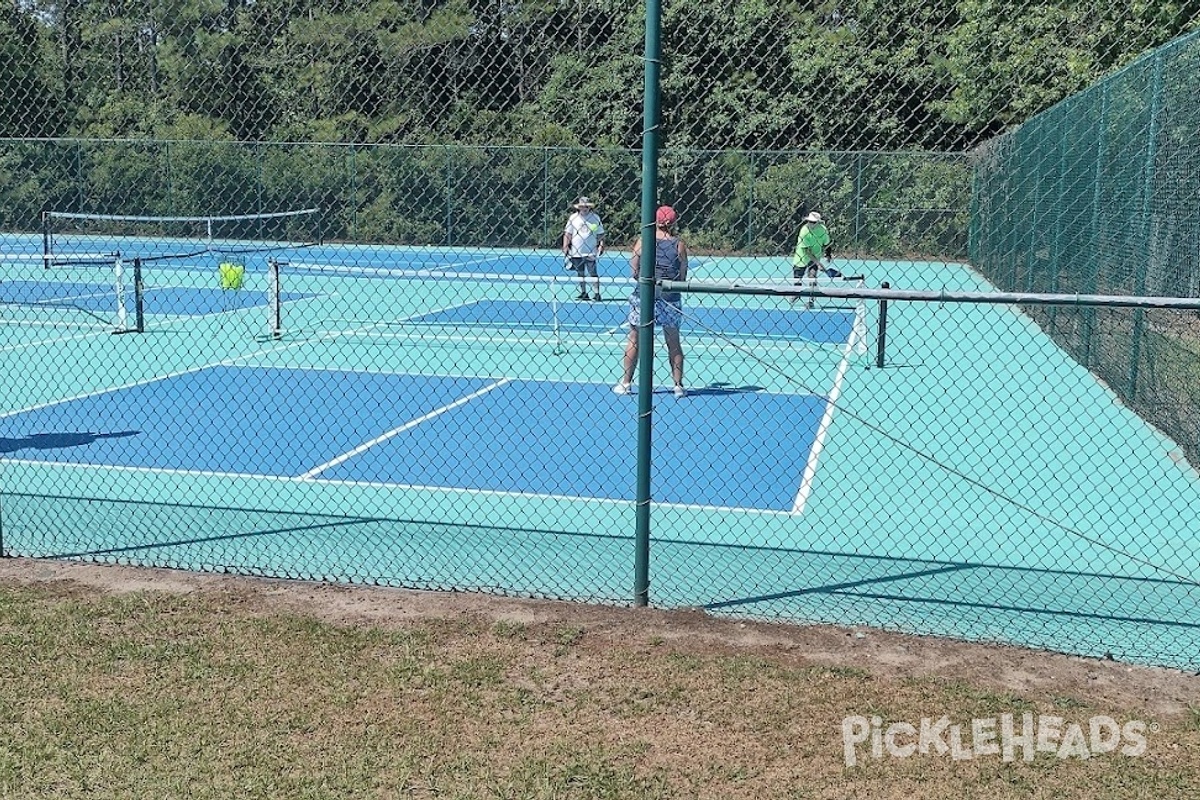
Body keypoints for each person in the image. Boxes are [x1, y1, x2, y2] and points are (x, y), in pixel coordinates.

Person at [613, 205, 689, 398]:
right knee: (673, 340)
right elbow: (682, 273)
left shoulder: (644, 240)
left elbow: (634, 266)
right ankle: (678, 386)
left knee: (634, 338)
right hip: (669, 296)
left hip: (644, 294)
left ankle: (626, 383)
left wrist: (640, 277)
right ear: (674, 222)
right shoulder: (679, 244)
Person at [561, 196, 606, 300]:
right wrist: (565, 246)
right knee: (580, 273)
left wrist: (601, 245)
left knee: (593, 273)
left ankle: (596, 293)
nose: (584, 208)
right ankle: (583, 292)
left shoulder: (595, 218)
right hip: (576, 251)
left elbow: (601, 234)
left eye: (586, 206)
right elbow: (568, 233)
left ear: (589, 207)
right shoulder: (573, 218)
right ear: (579, 207)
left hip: (590, 251)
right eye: (582, 206)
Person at [791, 210, 833, 309]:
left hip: (816, 256)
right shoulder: (804, 231)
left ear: (818, 222)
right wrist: (818, 263)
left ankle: (811, 300)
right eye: (809, 221)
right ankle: (797, 292)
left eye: (813, 222)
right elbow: (806, 251)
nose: (811, 223)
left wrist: (828, 254)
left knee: (812, 277)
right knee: (797, 277)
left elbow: (827, 243)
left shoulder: (823, 230)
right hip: (801, 256)